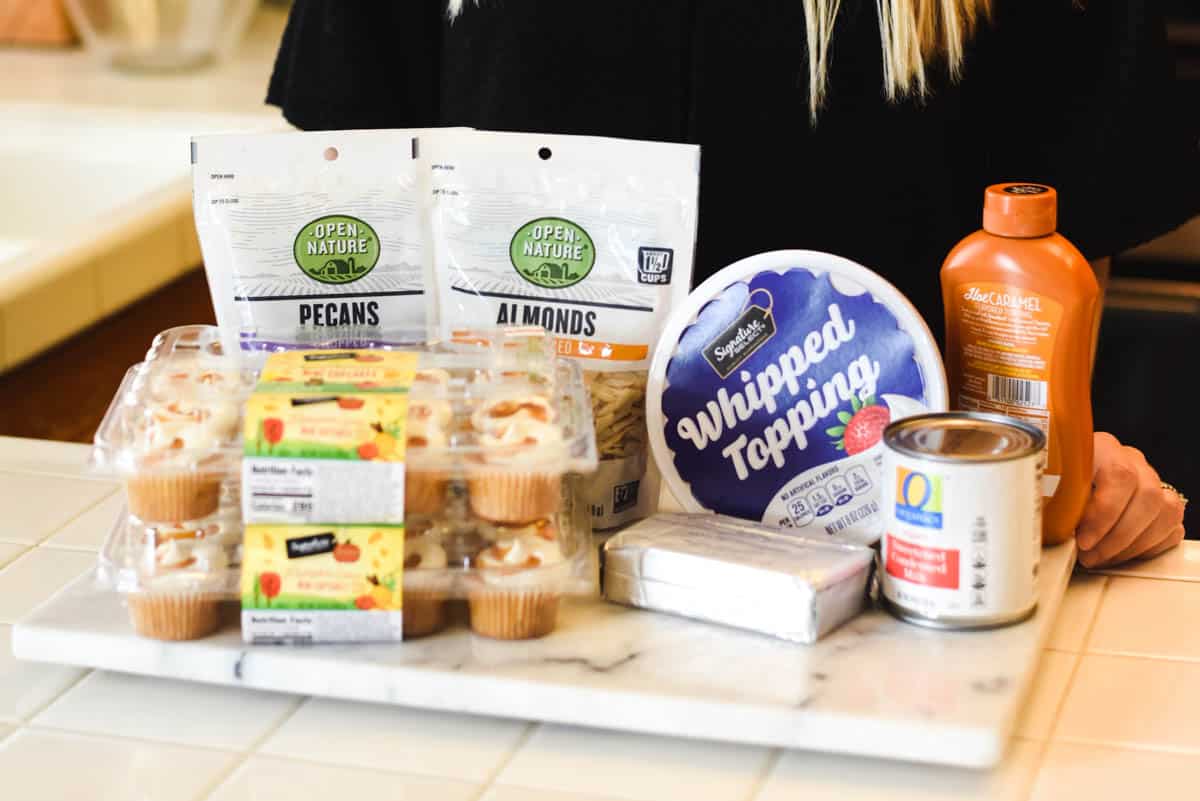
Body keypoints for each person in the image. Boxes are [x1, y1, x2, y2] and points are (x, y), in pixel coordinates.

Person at [266, 0, 1197, 567]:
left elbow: (1064, 221)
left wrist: (1041, 453)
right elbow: (345, 199)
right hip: (514, 545)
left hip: (896, 568)